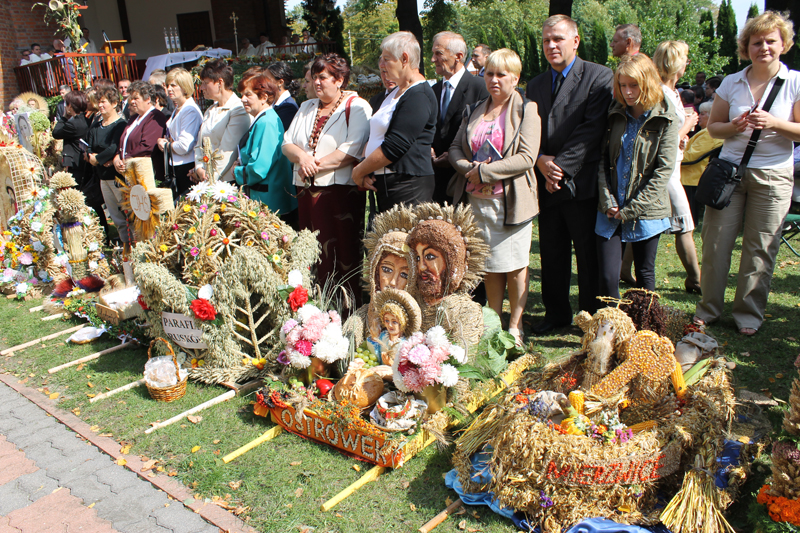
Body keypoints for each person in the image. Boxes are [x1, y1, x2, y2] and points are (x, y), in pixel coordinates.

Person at [695, 11, 800, 336]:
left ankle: (747, 316)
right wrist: (735, 125)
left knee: (760, 248)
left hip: (773, 176)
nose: (763, 48)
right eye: (757, 42)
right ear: (746, 46)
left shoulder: (794, 82)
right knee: (715, 244)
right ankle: (708, 308)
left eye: (771, 41)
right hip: (729, 174)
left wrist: (775, 124)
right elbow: (714, 128)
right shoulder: (732, 81)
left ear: (783, 44)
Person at [525, 14, 614, 334]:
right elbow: (526, 131)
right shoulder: (534, 84)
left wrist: (557, 168)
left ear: (575, 41)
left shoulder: (599, 77)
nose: (551, 45)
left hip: (581, 182)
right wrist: (537, 160)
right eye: (547, 40)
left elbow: (590, 130)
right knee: (551, 252)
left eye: (558, 39)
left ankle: (589, 317)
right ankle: (556, 315)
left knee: (588, 256)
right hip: (545, 182)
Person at [448, 48, 541, 346]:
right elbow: (454, 149)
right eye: (489, 73)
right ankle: (493, 321)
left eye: (502, 74)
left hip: (510, 203)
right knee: (489, 265)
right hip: (477, 203)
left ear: (515, 78)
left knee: (514, 265)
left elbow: (527, 157)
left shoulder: (528, 109)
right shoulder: (474, 109)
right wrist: (469, 169)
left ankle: (515, 325)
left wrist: (485, 173)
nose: (494, 80)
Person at [282, 53, 371, 309]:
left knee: (341, 253)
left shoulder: (356, 106)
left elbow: (350, 150)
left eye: (323, 77)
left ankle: (348, 312)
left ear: (340, 79)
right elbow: (286, 143)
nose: (316, 83)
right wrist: (302, 157)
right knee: (314, 253)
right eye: (314, 78)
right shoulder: (306, 106)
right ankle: (318, 309)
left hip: (338, 194)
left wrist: (311, 166)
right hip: (306, 193)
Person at [595, 53, 680, 299]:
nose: (628, 92)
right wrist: (607, 199)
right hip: (610, 208)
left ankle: (644, 331)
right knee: (609, 276)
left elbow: (663, 171)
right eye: (623, 85)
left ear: (648, 83)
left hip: (647, 211)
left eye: (634, 85)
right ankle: (609, 328)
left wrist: (631, 209)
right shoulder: (615, 111)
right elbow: (602, 160)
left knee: (645, 275)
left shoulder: (665, 116)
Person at [352, 31, 437, 212]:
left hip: (408, 187)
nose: (381, 64)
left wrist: (359, 170)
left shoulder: (419, 95)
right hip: (387, 184)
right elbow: (377, 134)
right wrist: (366, 166)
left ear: (404, 59)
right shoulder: (396, 92)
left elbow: (395, 145)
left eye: (386, 59)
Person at [651, 40, 702, 294]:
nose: (688, 63)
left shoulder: (673, 91)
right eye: (686, 58)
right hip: (664, 169)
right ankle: (695, 279)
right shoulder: (659, 93)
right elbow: (661, 137)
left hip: (675, 166)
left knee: (648, 219)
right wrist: (688, 125)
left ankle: (623, 269)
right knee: (685, 222)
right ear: (675, 62)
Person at [430, 31, 489, 204]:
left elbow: (485, 132)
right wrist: (429, 148)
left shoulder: (479, 88)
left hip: (465, 180)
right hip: (435, 181)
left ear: (459, 56)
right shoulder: (434, 90)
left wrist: (457, 156)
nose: (433, 59)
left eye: (438, 53)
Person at [234, 70, 297, 225]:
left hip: (270, 203)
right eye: (242, 94)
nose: (243, 99)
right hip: (269, 200)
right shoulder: (264, 119)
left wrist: (236, 171)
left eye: (248, 95)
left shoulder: (266, 122)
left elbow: (259, 168)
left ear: (263, 97)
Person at [191, 59, 250, 183]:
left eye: (205, 83)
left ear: (220, 82)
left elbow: (228, 151)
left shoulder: (238, 109)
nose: (202, 88)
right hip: (206, 177)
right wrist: (199, 169)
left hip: (226, 181)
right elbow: (199, 145)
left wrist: (210, 179)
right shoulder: (210, 110)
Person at [112, 81, 168, 208]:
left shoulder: (155, 117)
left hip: (148, 175)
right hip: (131, 174)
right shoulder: (134, 118)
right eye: (131, 98)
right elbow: (124, 142)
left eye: (136, 98)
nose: (132, 101)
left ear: (148, 99)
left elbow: (147, 146)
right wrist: (117, 158)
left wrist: (126, 159)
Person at [85, 86, 126, 246]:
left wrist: (98, 158)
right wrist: (94, 158)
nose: (100, 106)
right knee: (114, 214)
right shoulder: (96, 125)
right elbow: (89, 145)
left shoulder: (120, 124)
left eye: (104, 102)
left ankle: (130, 244)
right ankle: (123, 245)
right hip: (102, 177)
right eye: (99, 102)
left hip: (115, 177)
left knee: (124, 213)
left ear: (114, 103)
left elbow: (113, 147)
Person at [156, 68, 203, 198]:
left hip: (186, 167)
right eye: (167, 85)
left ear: (184, 87)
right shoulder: (179, 108)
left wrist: (166, 145)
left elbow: (184, 146)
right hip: (176, 166)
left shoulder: (189, 110)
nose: (169, 89)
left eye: (173, 85)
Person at [680, 101, 723, 225]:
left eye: (702, 114)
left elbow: (692, 156)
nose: (699, 116)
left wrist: (674, 153)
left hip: (692, 176)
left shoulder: (709, 133)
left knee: (689, 220)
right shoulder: (706, 132)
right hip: (692, 175)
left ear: (712, 116)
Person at [52, 90, 91, 185]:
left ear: (70, 106)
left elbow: (56, 133)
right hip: (84, 162)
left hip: (76, 163)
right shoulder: (86, 119)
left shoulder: (73, 124)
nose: (65, 107)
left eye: (66, 104)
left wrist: (64, 117)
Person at [265, 62, 300, 131]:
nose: (263, 83)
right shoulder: (274, 102)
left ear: (280, 82)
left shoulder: (289, 107)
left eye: (267, 79)